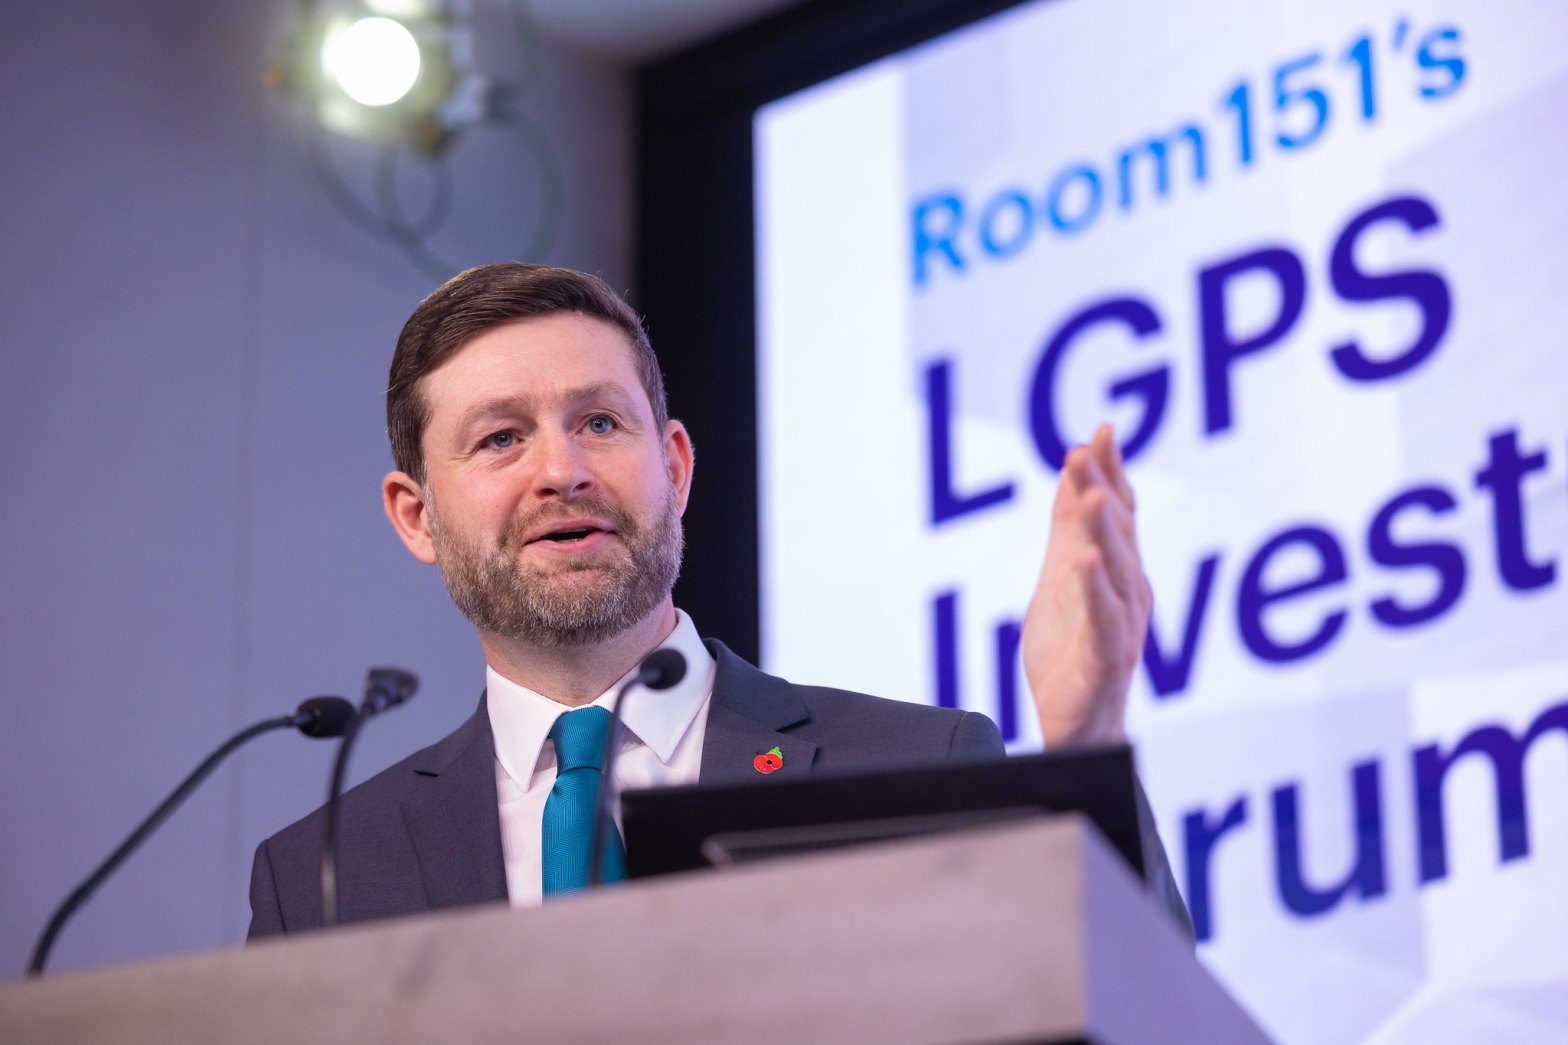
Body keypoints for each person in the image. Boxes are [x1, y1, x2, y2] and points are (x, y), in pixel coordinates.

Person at [247, 262, 1189, 935]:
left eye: (599, 421)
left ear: (675, 467)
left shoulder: (914, 762)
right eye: (501, 438)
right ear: (417, 516)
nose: (562, 470)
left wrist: (1089, 739)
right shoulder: (323, 875)